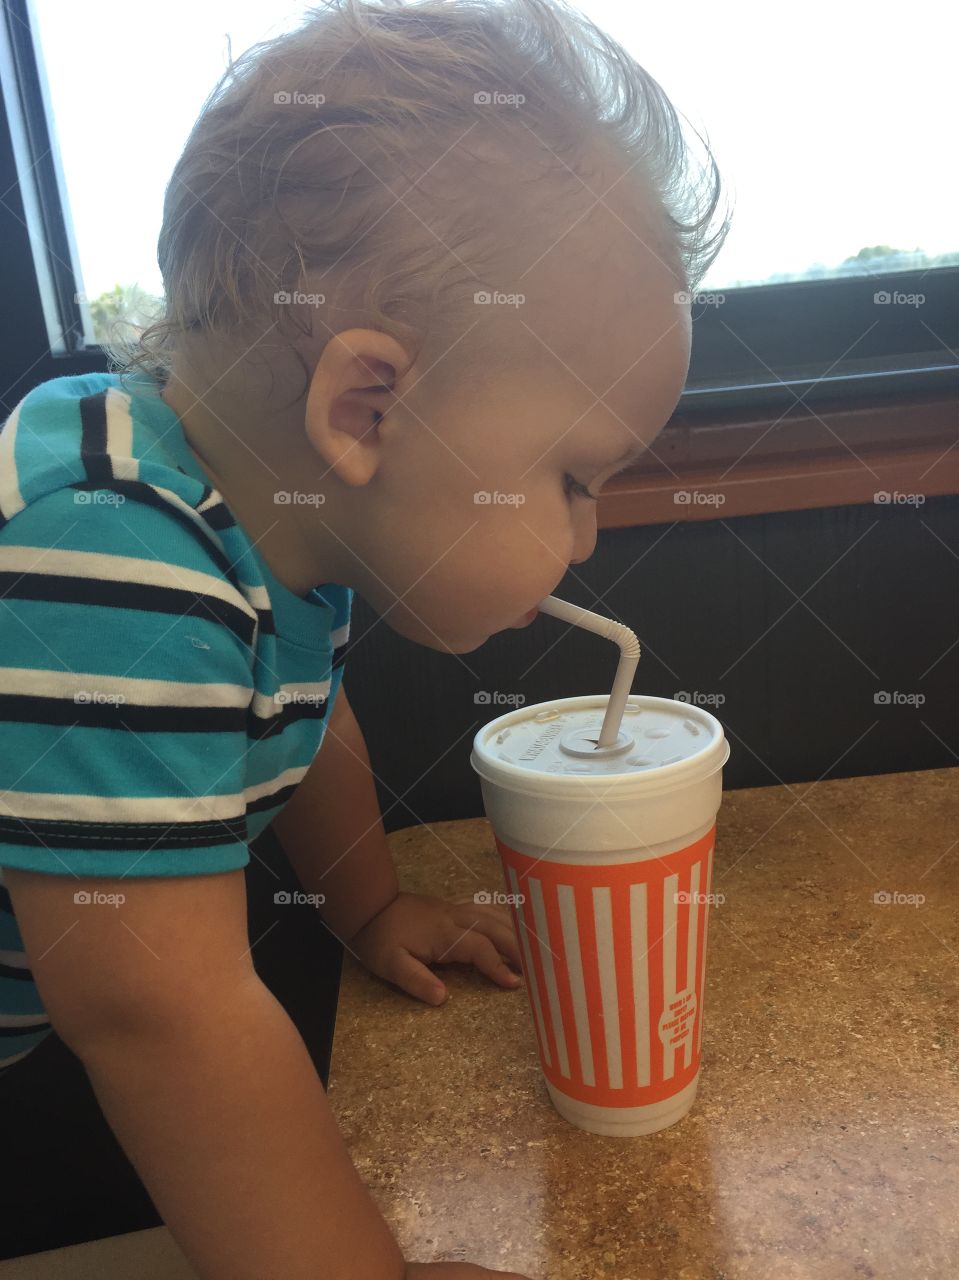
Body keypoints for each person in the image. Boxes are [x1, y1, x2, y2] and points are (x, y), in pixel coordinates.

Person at [0, 0, 728, 1274]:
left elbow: (297, 713)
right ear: (368, 402)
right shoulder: (113, 562)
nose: (587, 538)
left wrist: (369, 903)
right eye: (573, 477)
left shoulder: (265, 544)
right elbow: (163, 1020)